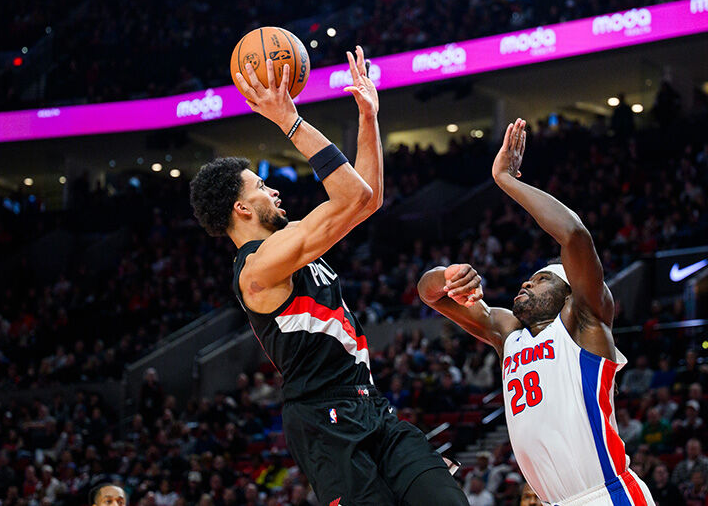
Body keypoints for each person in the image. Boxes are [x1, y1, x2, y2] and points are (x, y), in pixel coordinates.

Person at [189, 48, 465, 506]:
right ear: (241, 209)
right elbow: (351, 195)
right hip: (323, 417)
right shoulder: (258, 269)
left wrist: (368, 117)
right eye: (261, 186)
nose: (274, 190)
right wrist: (289, 120)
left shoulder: (295, 237)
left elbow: (367, 200)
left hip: (370, 403)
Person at [418, 119, 654, 505]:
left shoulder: (583, 321)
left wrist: (506, 181)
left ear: (568, 293)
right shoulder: (508, 333)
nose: (526, 284)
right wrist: (447, 276)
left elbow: (574, 235)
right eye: (528, 279)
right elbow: (429, 295)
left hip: (606, 494)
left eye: (541, 279)